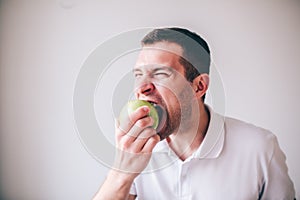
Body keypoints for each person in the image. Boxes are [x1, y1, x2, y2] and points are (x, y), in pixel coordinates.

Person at [94, 27, 295, 200]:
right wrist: (122, 172)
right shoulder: (136, 149)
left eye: (161, 74)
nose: (142, 88)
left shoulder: (260, 147)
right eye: (139, 75)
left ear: (199, 87)